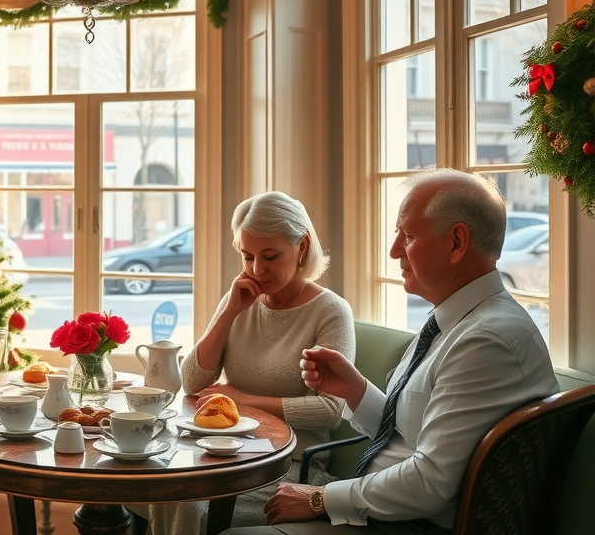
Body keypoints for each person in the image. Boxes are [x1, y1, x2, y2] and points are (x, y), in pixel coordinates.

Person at [223, 169, 559, 535]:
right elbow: (419, 433)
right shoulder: (459, 322)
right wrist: (356, 391)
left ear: (457, 242)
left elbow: (429, 483)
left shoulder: (485, 341)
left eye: (408, 235)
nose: (394, 249)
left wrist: (320, 498)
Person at [140, 191, 356, 534]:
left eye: (270, 256)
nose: (257, 269)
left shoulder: (330, 311)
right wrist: (230, 312)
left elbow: (331, 409)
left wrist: (244, 400)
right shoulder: (240, 298)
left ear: (301, 247)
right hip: (223, 453)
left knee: (184, 500)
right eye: (247, 255)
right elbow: (193, 382)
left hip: (287, 466)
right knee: (149, 484)